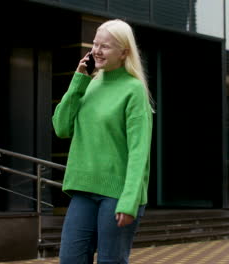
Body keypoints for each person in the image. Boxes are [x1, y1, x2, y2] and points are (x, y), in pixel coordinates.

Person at [52, 19, 153, 264]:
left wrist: (129, 201)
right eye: (95, 44)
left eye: (105, 46)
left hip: (117, 194)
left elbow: (139, 151)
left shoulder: (133, 90)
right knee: (70, 259)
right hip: (83, 189)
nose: (96, 51)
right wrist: (77, 81)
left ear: (124, 52)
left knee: (111, 261)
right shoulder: (89, 85)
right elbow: (61, 127)